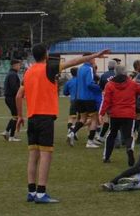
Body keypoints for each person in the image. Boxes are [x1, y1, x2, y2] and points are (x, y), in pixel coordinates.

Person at [15, 45, 109, 203]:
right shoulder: (48, 68)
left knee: (33, 156)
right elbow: (74, 62)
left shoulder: (28, 72)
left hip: (32, 118)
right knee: (46, 155)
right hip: (45, 118)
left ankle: (31, 192)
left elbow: (18, 96)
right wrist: (95, 55)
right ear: (46, 54)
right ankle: (41, 192)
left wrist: (19, 116)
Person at [100, 65, 140, 165]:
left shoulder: (109, 85)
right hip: (129, 114)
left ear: (115, 72)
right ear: (125, 72)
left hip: (115, 114)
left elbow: (106, 101)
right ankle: (129, 148)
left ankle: (106, 157)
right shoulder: (132, 83)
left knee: (111, 134)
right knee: (129, 135)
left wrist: (102, 113)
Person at [68, 55, 103, 148]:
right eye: (94, 58)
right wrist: (100, 88)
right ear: (90, 59)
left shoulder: (80, 69)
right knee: (94, 119)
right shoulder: (89, 69)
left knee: (83, 119)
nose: (95, 60)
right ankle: (90, 142)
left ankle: (72, 132)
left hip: (79, 98)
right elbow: (89, 84)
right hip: (88, 98)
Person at [2, 59, 23, 142]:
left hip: (9, 98)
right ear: (14, 65)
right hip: (11, 98)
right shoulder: (13, 75)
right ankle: (11, 136)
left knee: (15, 116)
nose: (20, 66)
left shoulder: (11, 74)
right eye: (19, 65)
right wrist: (21, 93)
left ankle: (6, 131)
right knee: (16, 117)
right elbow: (14, 88)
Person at [63, 68, 79, 140]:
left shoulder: (69, 82)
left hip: (73, 101)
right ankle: (73, 131)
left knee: (72, 117)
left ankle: (70, 130)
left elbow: (65, 93)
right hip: (82, 100)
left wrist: (71, 92)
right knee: (82, 118)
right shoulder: (81, 81)